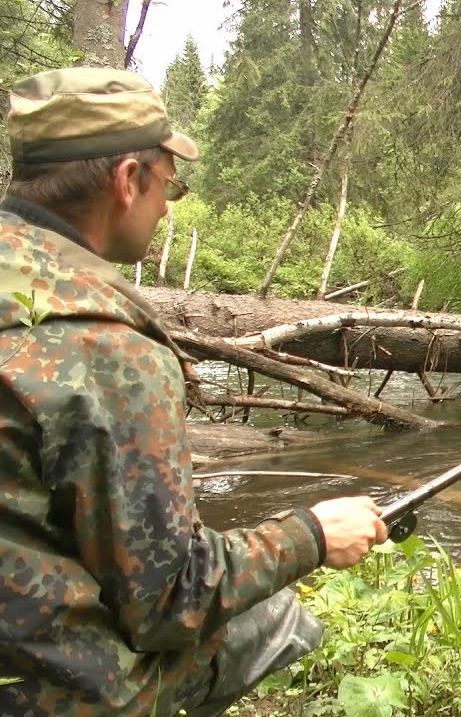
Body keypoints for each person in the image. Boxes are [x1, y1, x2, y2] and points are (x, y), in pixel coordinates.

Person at [0, 68, 389, 716]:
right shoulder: (104, 342)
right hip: (37, 691)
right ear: (128, 181)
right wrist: (314, 534)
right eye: (169, 186)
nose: (165, 204)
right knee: (270, 619)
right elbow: (170, 604)